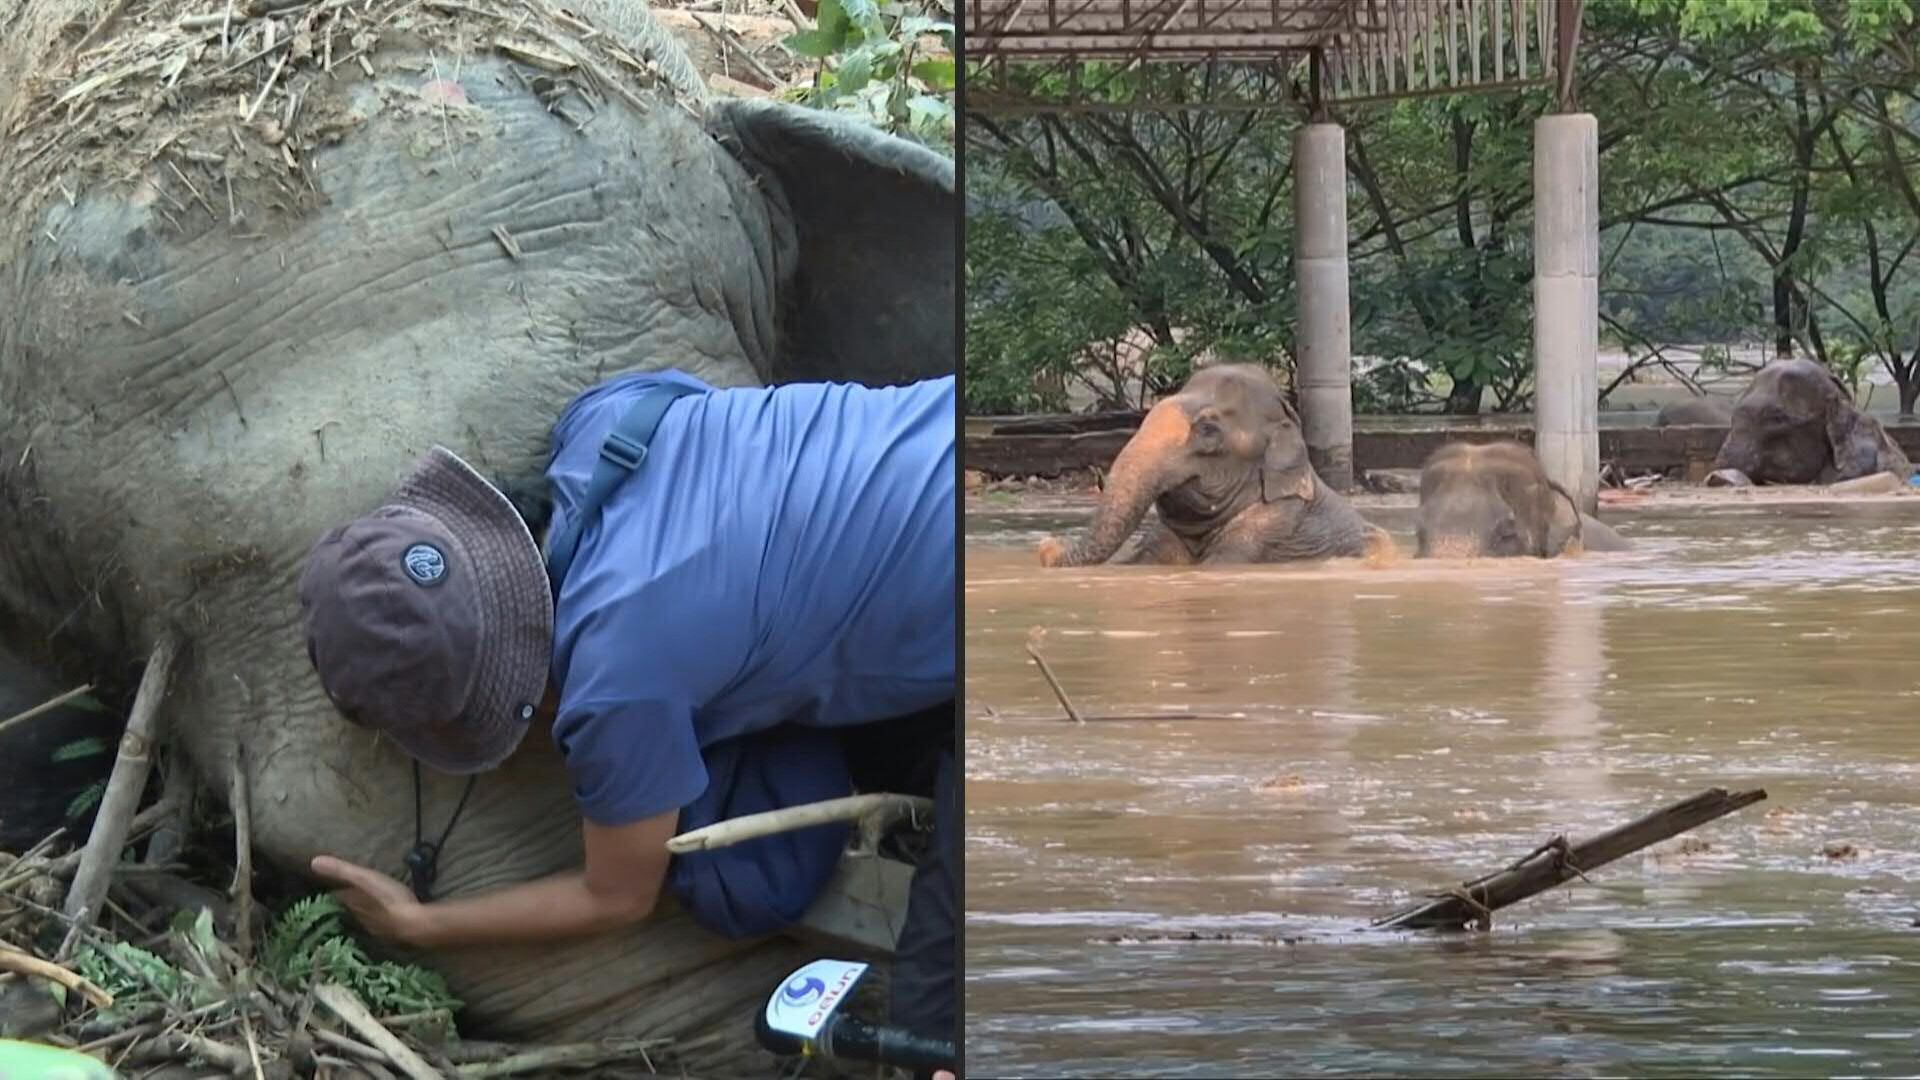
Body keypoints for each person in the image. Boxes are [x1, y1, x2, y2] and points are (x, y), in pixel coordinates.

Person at [295, 368, 957, 1065]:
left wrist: (420, 924)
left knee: (933, 1028)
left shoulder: (617, 683)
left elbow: (615, 896)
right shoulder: (607, 419)